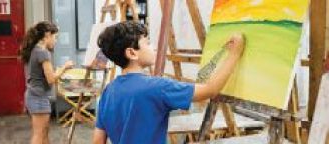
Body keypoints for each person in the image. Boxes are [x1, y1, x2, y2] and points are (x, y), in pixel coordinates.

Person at [92, 21, 245, 144]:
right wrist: (235, 53)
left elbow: (98, 141)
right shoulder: (157, 87)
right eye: (147, 43)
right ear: (132, 53)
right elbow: (210, 90)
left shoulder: (107, 92)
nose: (153, 47)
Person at [20, 21, 74, 144]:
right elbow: (51, 79)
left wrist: (58, 71)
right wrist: (64, 68)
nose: (55, 41)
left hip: (35, 95)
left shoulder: (34, 50)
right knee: (39, 135)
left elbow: (45, 75)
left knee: (44, 133)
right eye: (55, 37)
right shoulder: (43, 52)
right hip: (38, 97)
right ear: (47, 35)